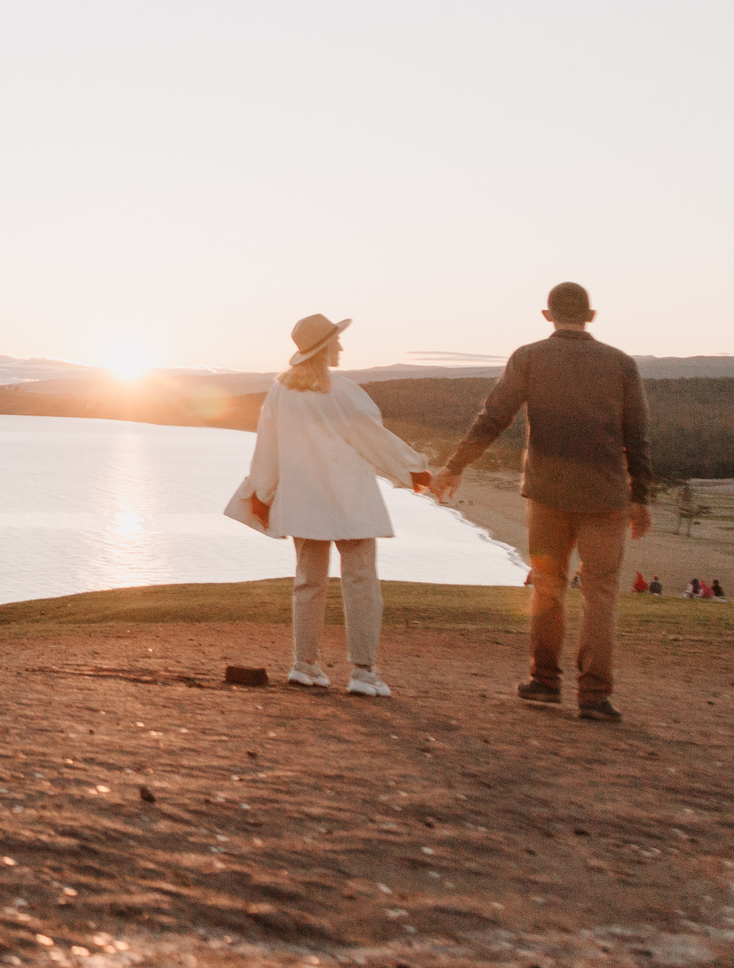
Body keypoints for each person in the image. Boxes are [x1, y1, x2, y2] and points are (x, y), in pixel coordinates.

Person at [430, 282, 652, 723]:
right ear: (591, 317)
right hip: (605, 494)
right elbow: (637, 434)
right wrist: (640, 495)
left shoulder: (529, 356)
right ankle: (594, 696)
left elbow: (494, 415)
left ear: (547, 315)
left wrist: (456, 465)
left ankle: (545, 681)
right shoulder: (621, 363)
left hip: (547, 492)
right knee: (600, 595)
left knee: (549, 587)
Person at [223, 315, 431, 698]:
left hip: (303, 501)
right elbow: (372, 438)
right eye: (337, 341)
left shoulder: (279, 393)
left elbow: (266, 452)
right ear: (325, 348)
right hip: (349, 499)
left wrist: (262, 495)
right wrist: (414, 470)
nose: (341, 347)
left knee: (308, 582)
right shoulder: (344, 390)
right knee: (361, 583)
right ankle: (363, 673)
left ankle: (305, 665)